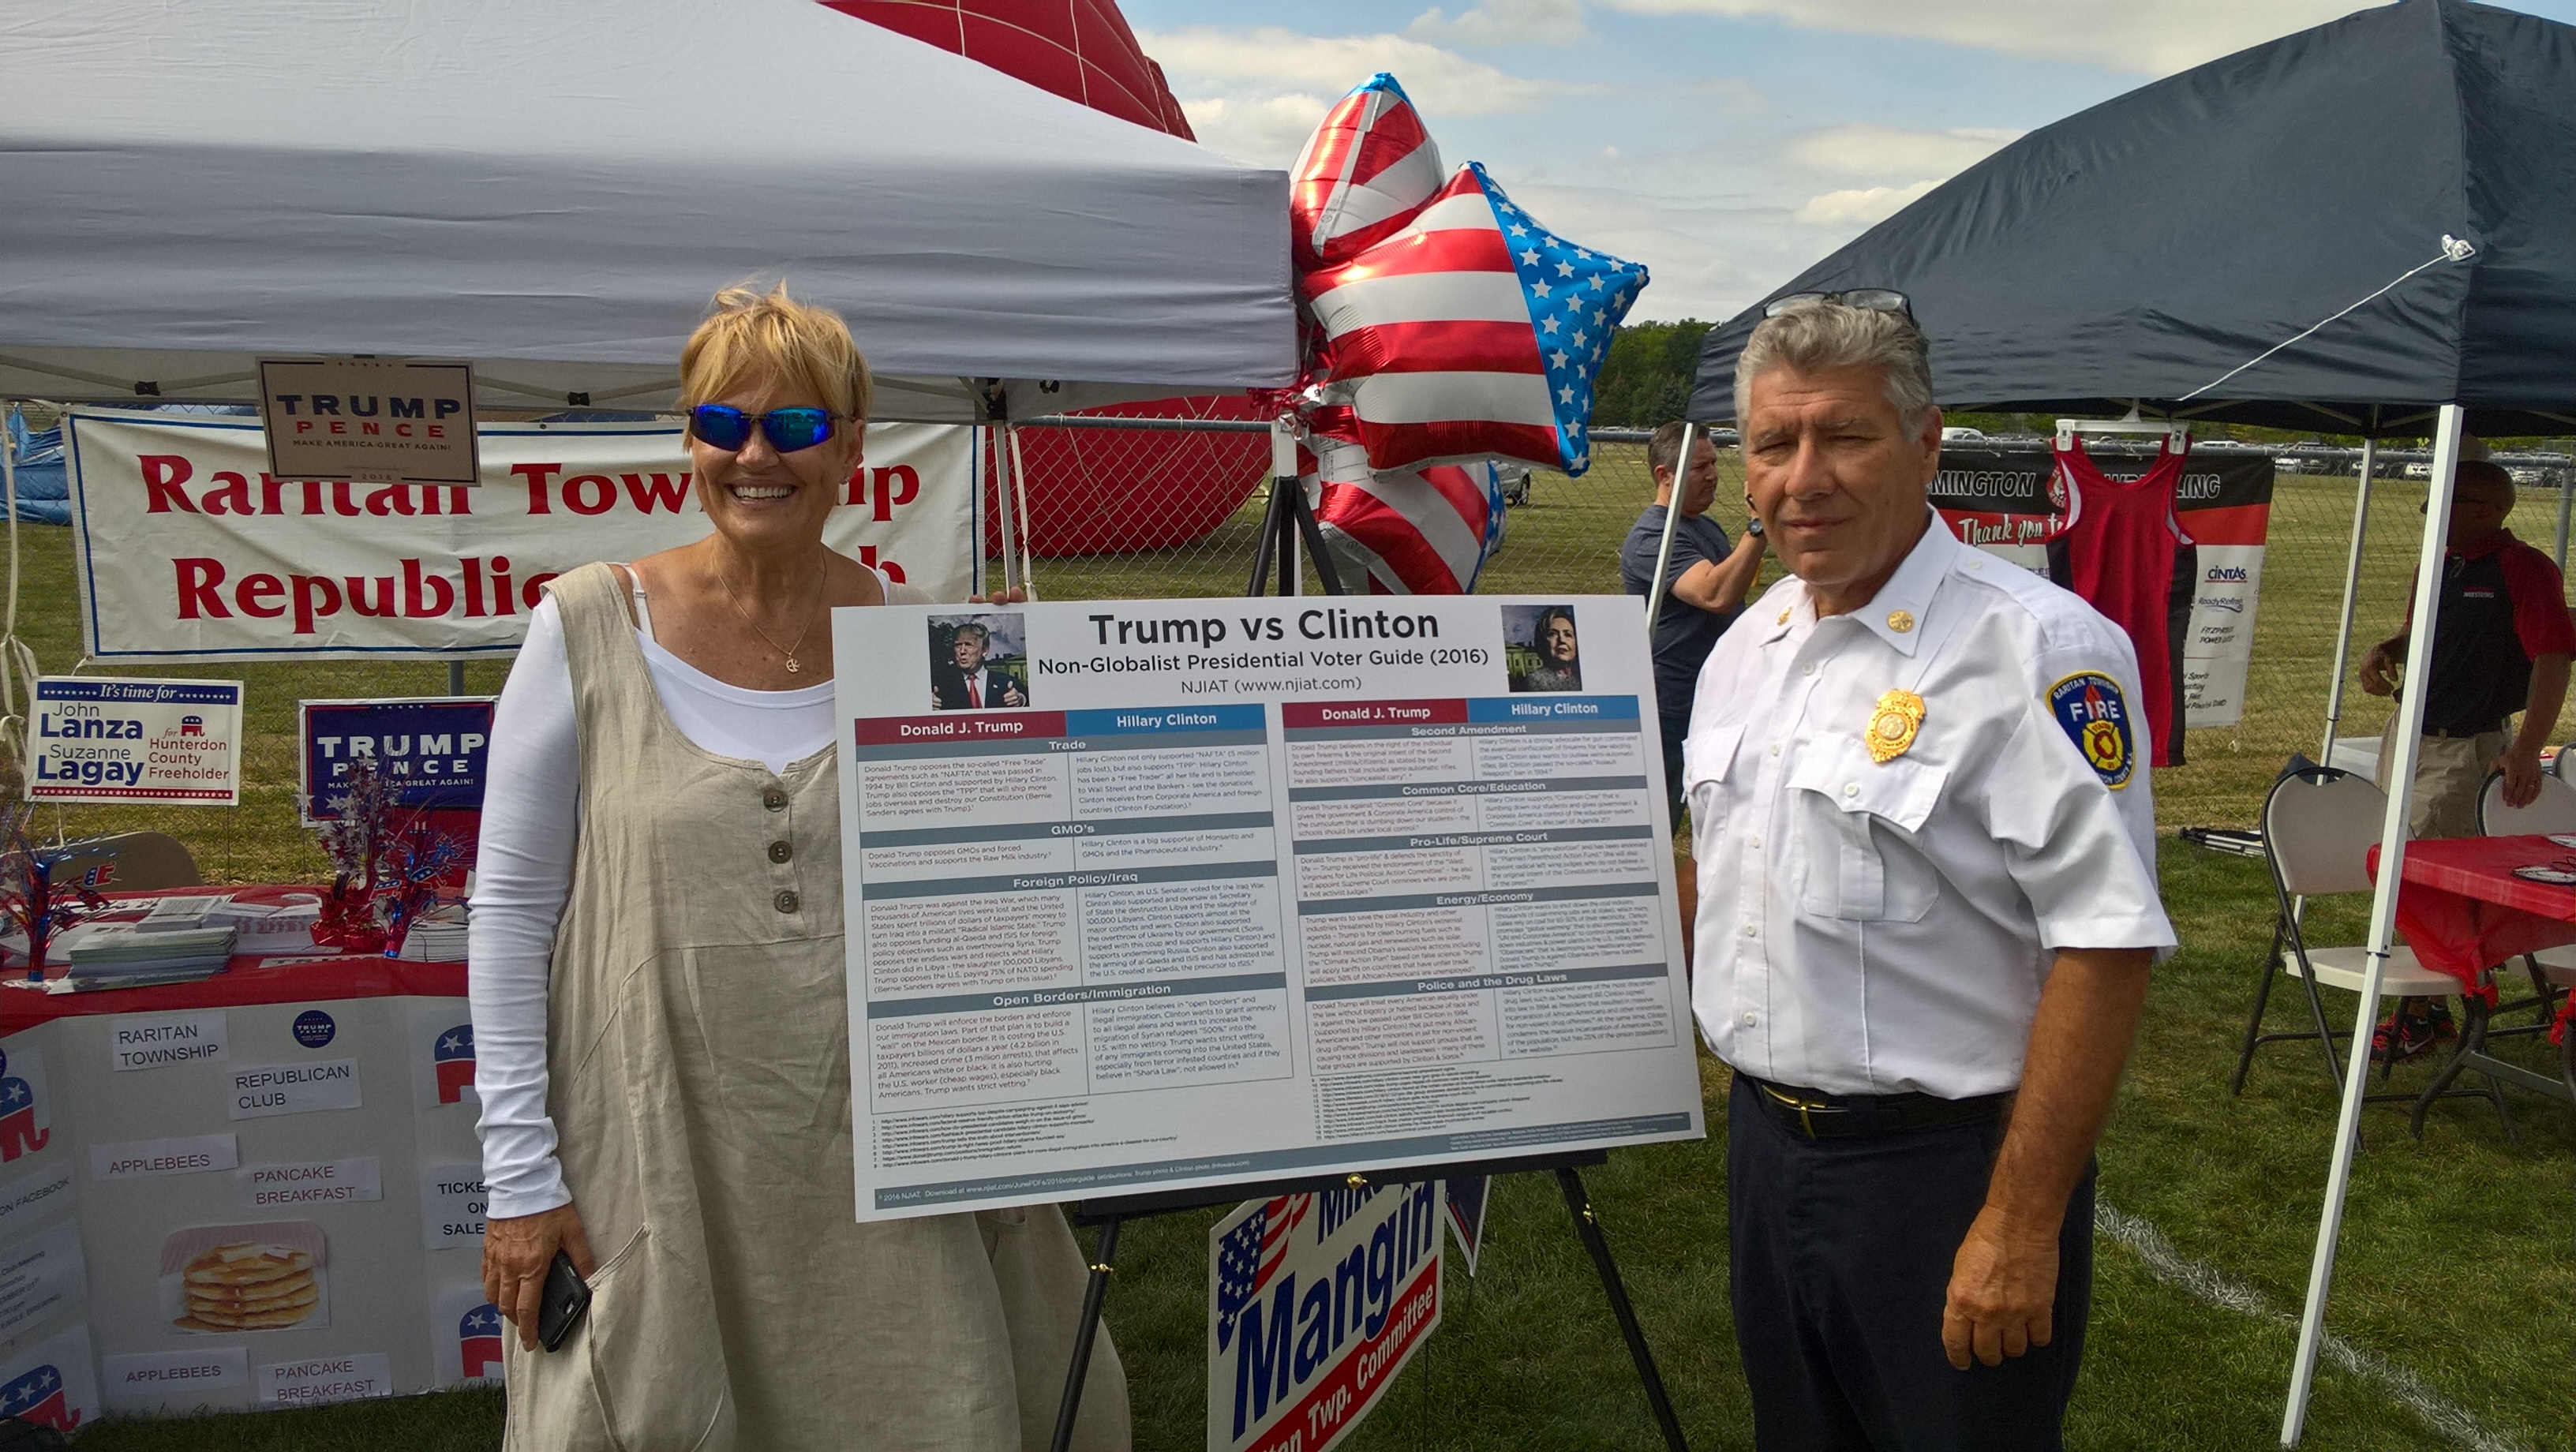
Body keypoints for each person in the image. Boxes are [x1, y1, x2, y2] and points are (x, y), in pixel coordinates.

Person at [467, 283, 1127, 1450]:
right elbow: (512, 912)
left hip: (889, 1147)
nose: (756, 455)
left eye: (797, 427)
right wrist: (520, 1176)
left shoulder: (928, 646)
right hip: (660, 1143)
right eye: (723, 426)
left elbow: (999, 898)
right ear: (690, 441)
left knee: (915, 1393)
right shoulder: (585, 628)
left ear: (854, 448)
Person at [1685, 297, 2173, 1450]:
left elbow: (2104, 947)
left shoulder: (2037, 652)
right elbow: (1721, 870)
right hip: (1769, 1155)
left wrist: (2018, 1223)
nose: (1804, 478)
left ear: (1925, 443)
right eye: (1772, 444)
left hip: (1945, 1177)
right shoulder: (1748, 649)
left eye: (1844, 436)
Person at [2355, 457, 2574, 1057]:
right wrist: (2386, 649)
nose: (2428, 515)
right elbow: (2420, 629)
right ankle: (2433, 1006)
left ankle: (2423, 1012)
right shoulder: (2440, 562)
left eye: (2442, 505)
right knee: (2394, 863)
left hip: (2464, 744)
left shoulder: (2524, 570)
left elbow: (2554, 657)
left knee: (2428, 875)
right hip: (2410, 732)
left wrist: (2527, 749)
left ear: (2486, 510)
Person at [1622, 420, 1769, 833]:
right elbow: (1714, 594)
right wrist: (1758, 526)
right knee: (1658, 825)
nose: (1714, 475)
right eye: (1699, 467)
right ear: (1664, 476)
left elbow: (1736, 591)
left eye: (1714, 463)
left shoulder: (1705, 528)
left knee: (1725, 819)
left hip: (1720, 700)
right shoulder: (1652, 538)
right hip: (1672, 706)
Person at [934, 620, 1027, 709]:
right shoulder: (942, 685)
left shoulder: (1006, 683)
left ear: (985, 651)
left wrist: (1021, 700)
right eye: (958, 645)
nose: (962, 651)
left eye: (969, 645)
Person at [1511, 604, 1582, 690]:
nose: (1562, 640)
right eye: (1552, 634)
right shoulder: (1535, 681)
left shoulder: (1582, 677)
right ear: (1542, 642)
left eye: (1568, 634)